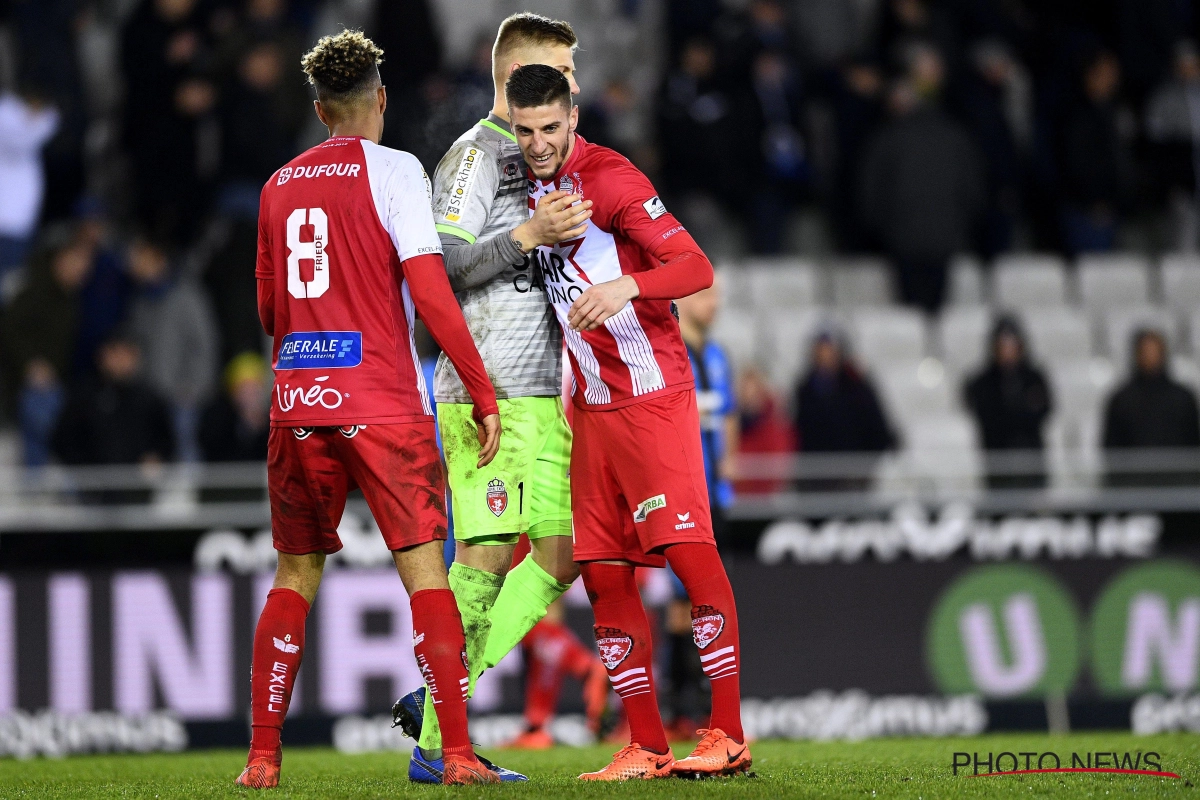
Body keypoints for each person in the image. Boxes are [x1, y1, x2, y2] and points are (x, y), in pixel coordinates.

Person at [236, 30, 504, 788]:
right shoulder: (395, 171)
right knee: (425, 574)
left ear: (320, 108)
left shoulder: (276, 185)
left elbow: (267, 308)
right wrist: (480, 389)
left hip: (297, 403)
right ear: (380, 100)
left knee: (293, 576)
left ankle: (261, 759)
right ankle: (453, 754)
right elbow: (428, 292)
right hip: (380, 404)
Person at [509, 64, 751, 780]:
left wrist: (628, 285)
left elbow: (696, 267)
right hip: (588, 410)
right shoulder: (520, 187)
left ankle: (728, 732)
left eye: (550, 128)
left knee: (688, 555)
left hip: (651, 397)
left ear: (573, 117)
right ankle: (646, 744)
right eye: (525, 131)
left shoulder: (610, 180)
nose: (538, 143)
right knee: (604, 576)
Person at [385, 14, 592, 784]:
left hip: (548, 392)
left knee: (562, 555)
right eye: (563, 68)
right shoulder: (473, 156)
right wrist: (529, 236)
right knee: (486, 553)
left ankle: (443, 693)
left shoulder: (552, 156)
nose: (575, 81)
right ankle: (440, 744)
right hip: (486, 393)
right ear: (518, 76)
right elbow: (435, 270)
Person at [793, 329, 894, 489]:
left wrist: (865, 467)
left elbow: (875, 428)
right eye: (821, 351)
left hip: (854, 475)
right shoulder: (805, 389)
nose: (825, 356)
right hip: (817, 477)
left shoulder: (856, 386)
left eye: (829, 351)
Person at [1103, 329, 1200, 486]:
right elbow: (1111, 448)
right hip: (1133, 487)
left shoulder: (1183, 397)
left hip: (1178, 487)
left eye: (1154, 350)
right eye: (1145, 350)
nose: (1150, 356)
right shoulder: (1121, 399)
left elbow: (1193, 444)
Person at [964, 317, 1052, 489]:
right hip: (996, 461)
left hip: (1031, 458)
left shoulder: (1034, 378)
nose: (1008, 351)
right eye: (1003, 345)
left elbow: (1044, 411)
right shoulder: (981, 382)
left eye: (1012, 344)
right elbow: (988, 418)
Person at [199, 352, 271, 462]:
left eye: (254, 389)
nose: (250, 397)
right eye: (244, 390)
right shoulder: (218, 421)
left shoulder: (275, 421)